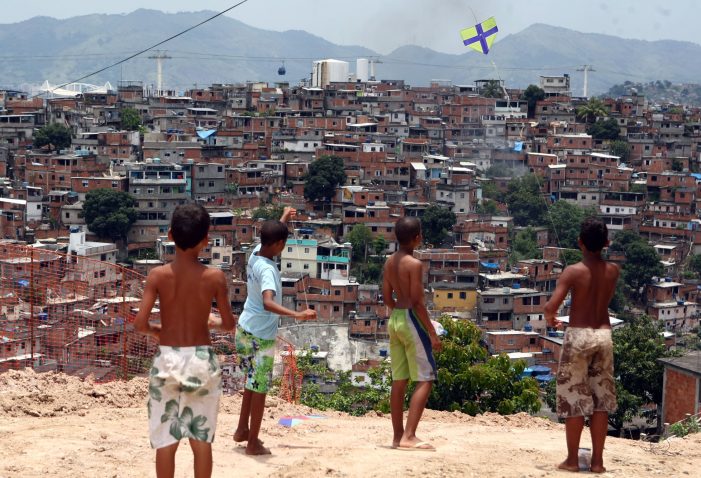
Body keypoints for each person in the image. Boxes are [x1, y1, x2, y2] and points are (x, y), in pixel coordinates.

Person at [134, 203, 236, 478]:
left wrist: (158, 331)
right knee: (201, 442)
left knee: (166, 442)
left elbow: (140, 324)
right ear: (206, 240)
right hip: (201, 360)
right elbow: (229, 324)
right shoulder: (215, 277)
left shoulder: (157, 275)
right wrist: (213, 322)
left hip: (167, 359)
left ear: (169, 235)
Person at [234, 207, 317, 455]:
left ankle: (242, 429)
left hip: (245, 328)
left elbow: (272, 238)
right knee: (259, 389)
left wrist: (283, 218)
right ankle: (252, 443)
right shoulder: (269, 270)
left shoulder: (255, 253)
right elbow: (268, 301)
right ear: (280, 244)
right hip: (260, 336)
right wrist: (298, 314)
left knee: (251, 382)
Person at [543, 217, 619, 474]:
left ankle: (572, 461)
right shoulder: (613, 271)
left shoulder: (573, 271)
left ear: (579, 242)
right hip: (603, 335)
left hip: (578, 336)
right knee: (601, 401)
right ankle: (597, 462)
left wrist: (550, 317)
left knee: (574, 399)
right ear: (606, 243)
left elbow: (551, 306)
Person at [382, 216, 442, 451]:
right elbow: (418, 302)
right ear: (417, 238)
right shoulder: (414, 265)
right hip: (410, 319)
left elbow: (387, 297)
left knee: (399, 380)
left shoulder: (389, 262)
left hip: (395, 318)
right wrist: (432, 333)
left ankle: (398, 436)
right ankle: (409, 435)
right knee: (425, 378)